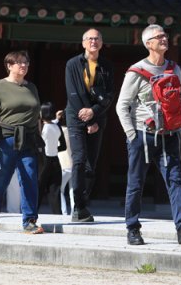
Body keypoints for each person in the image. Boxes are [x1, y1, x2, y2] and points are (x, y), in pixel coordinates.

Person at [116, 24, 181, 246]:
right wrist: (131, 134)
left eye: (165, 35)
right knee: (136, 182)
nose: (164, 39)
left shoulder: (175, 69)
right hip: (142, 135)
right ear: (148, 44)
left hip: (170, 135)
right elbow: (122, 105)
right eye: (159, 36)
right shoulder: (136, 71)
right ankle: (132, 228)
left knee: (175, 179)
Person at [0, 50, 43, 234]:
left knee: (30, 178)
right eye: (19, 63)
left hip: (29, 139)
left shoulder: (31, 87)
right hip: (6, 139)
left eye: (26, 62)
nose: (24, 66)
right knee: (1, 180)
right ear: (9, 65)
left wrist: (39, 137)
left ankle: (30, 221)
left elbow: (36, 114)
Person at [65, 28, 114, 222]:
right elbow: (72, 93)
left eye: (97, 39)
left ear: (101, 43)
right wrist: (87, 118)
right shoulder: (73, 64)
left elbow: (109, 96)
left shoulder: (107, 66)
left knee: (90, 164)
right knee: (79, 159)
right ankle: (78, 205)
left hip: (97, 116)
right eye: (90, 39)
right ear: (83, 43)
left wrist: (94, 114)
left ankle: (83, 204)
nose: (93, 42)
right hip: (76, 116)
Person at [38, 102, 63, 214]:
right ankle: (57, 214)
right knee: (55, 190)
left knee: (39, 188)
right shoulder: (57, 127)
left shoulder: (42, 128)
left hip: (44, 160)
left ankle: (33, 214)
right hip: (55, 159)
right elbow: (63, 145)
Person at [57, 110, 74, 215]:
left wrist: (56, 119)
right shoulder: (73, 131)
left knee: (60, 190)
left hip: (63, 165)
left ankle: (63, 213)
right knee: (73, 191)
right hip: (73, 165)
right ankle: (74, 212)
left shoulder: (58, 131)